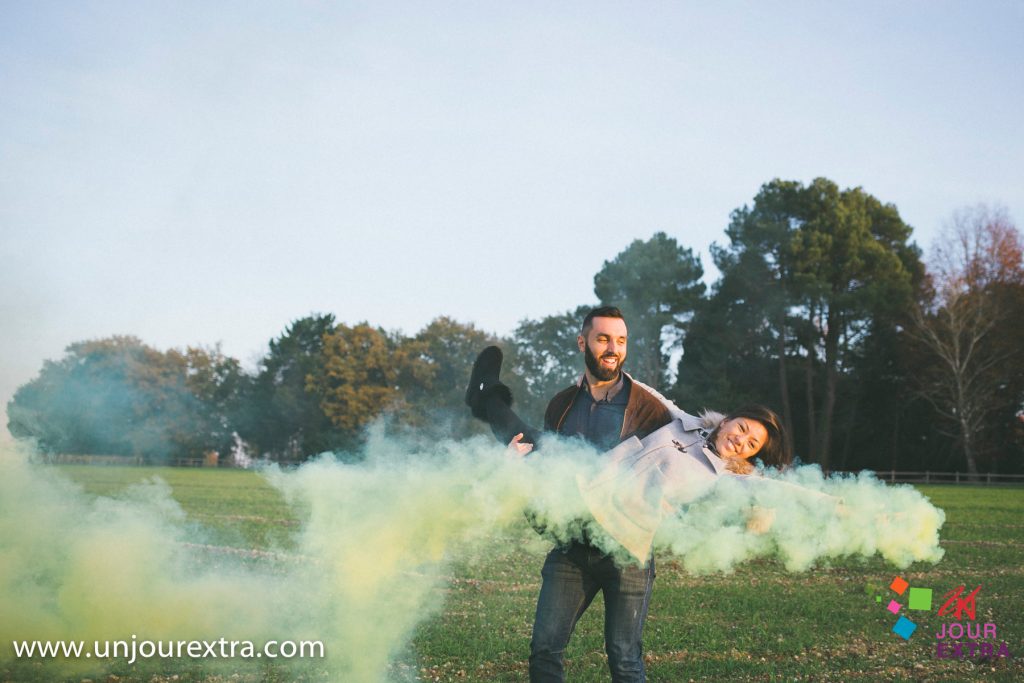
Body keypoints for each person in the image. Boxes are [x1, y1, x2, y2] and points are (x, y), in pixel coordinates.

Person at [467, 306, 790, 683]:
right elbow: (548, 465)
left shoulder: (654, 414)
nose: (613, 347)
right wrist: (521, 466)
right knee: (544, 651)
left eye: (620, 341)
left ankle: (487, 400)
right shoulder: (565, 403)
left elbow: (763, 489)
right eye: (604, 338)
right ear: (582, 342)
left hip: (627, 554)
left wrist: (798, 508)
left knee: (624, 659)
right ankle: (488, 400)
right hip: (573, 542)